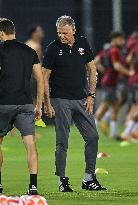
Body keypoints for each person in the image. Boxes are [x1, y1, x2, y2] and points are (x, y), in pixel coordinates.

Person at [0, 18, 44, 195]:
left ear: (1, 33)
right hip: (25, 104)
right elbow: (40, 79)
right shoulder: (30, 50)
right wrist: (39, 104)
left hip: (4, 104)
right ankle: (33, 186)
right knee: (30, 144)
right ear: (13, 31)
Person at [42, 15, 106, 192]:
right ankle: (62, 181)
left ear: (73, 31)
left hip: (81, 99)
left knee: (92, 136)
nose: (61, 36)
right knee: (62, 141)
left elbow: (92, 69)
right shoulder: (52, 49)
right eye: (59, 33)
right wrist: (47, 103)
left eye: (65, 32)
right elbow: (44, 78)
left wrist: (91, 95)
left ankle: (89, 178)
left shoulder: (83, 43)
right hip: (61, 100)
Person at [94, 31, 133, 139]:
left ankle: (114, 133)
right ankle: (91, 134)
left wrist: (105, 72)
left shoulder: (106, 50)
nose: (123, 42)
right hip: (110, 82)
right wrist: (129, 73)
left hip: (109, 81)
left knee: (115, 105)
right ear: (115, 40)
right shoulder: (115, 50)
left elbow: (96, 61)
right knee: (103, 108)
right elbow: (117, 66)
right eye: (121, 39)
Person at [25, 25, 44, 106]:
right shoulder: (35, 46)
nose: (42, 32)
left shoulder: (27, 44)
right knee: (35, 101)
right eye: (39, 31)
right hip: (32, 77)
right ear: (34, 33)